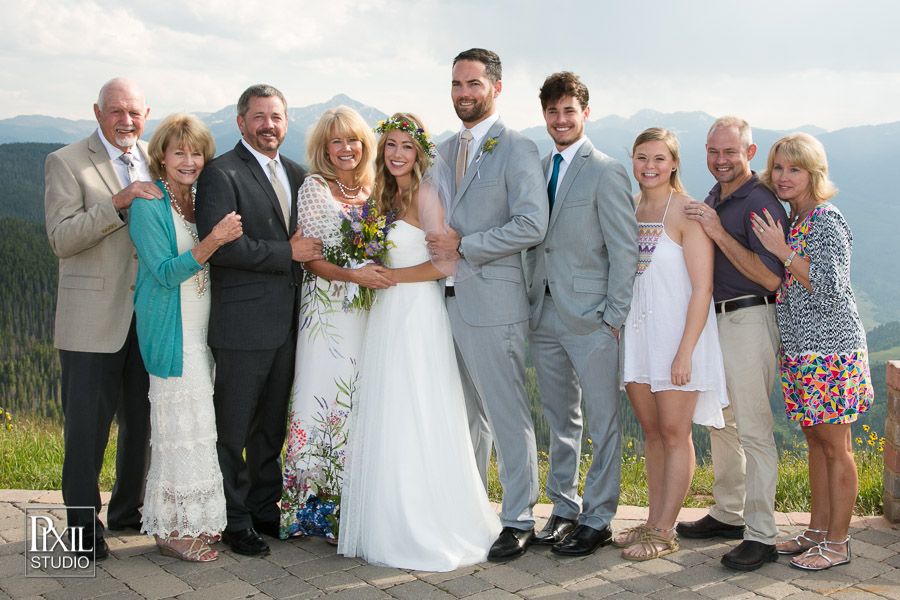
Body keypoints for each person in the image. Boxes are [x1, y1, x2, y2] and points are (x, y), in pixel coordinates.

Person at [338, 113, 501, 571]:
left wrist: (389, 277)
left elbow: (446, 265)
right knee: (389, 411)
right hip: (388, 314)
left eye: (406, 147)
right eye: (389, 145)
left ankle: (427, 521)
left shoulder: (428, 195)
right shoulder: (381, 196)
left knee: (418, 410)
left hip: (417, 313)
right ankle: (386, 517)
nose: (396, 154)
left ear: (420, 154)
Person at [426, 48, 548, 562]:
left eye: (473, 84)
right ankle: (477, 507)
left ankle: (519, 517)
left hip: (494, 300)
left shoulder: (517, 149)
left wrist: (466, 246)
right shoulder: (441, 147)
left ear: (495, 88)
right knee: (465, 415)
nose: (463, 94)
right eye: (456, 84)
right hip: (439, 302)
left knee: (505, 412)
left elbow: (531, 224)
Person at [195, 84, 323, 558]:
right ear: (241, 121)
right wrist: (286, 252)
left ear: (286, 122)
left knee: (270, 425)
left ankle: (264, 506)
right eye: (260, 117)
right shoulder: (221, 174)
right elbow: (221, 247)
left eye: (277, 117)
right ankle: (233, 518)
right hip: (243, 324)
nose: (269, 125)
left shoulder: (296, 173)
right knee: (233, 427)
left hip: (291, 322)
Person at [44, 77, 159, 560]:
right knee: (87, 430)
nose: (125, 121)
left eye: (133, 112)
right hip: (91, 320)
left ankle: (127, 513)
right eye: (116, 111)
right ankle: (80, 529)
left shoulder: (160, 156)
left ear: (146, 114)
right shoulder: (67, 162)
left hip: (149, 317)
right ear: (97, 113)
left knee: (143, 424)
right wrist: (117, 201)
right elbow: (62, 238)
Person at [524, 72, 637, 556]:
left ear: (585, 113)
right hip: (544, 313)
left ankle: (598, 518)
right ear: (545, 116)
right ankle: (564, 508)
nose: (561, 119)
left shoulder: (606, 170)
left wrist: (613, 317)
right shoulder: (538, 163)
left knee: (603, 421)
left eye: (569, 110)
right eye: (553, 111)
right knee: (559, 418)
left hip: (593, 318)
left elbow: (625, 249)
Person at [751, 132, 873, 570]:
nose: (783, 177)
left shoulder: (826, 219)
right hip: (803, 354)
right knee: (817, 444)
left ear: (813, 174)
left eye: (794, 169)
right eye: (778, 167)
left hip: (831, 355)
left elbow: (831, 288)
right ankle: (816, 531)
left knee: (837, 447)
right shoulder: (797, 218)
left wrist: (781, 252)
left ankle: (838, 544)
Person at [676, 116, 789, 571]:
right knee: (722, 422)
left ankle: (762, 536)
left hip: (749, 318)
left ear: (750, 152)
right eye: (712, 152)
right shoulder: (715, 196)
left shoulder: (760, 202)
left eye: (730, 152)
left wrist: (719, 233)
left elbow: (770, 277)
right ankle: (729, 512)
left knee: (756, 431)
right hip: (715, 323)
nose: (720, 161)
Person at [129, 114, 243, 562]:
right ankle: (172, 530)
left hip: (204, 329)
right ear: (161, 155)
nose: (189, 160)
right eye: (179, 151)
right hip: (171, 333)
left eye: (196, 152)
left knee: (200, 429)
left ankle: (191, 519)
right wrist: (213, 241)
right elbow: (163, 272)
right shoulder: (148, 203)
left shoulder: (198, 199)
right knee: (179, 432)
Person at [279, 106, 393, 542]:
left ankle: (354, 504)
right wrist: (354, 275)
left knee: (359, 400)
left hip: (367, 312)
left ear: (366, 145)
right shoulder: (314, 188)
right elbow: (312, 257)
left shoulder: (373, 189)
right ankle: (311, 508)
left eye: (354, 140)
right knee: (322, 395)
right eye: (337, 141)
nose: (347, 149)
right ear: (324, 148)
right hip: (327, 311)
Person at [616, 128, 728, 560]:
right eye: (641, 157)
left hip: (679, 338)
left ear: (675, 163)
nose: (649, 166)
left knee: (674, 433)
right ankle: (651, 520)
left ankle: (664, 531)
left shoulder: (688, 212)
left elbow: (702, 289)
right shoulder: (631, 207)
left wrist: (685, 352)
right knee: (652, 434)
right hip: (640, 337)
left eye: (659, 158)